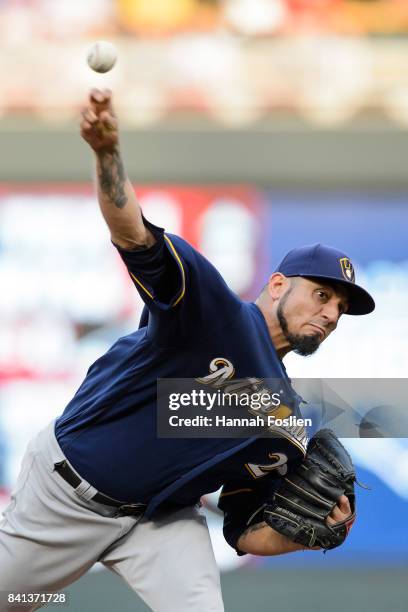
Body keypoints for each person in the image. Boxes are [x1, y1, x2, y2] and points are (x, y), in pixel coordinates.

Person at [0, 89, 375, 612]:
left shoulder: (289, 422)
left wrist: (315, 534)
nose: (331, 313)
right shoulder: (212, 312)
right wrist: (107, 154)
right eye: (322, 294)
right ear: (275, 285)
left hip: (162, 520)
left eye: (340, 308)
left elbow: (244, 533)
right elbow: (133, 234)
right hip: (67, 497)